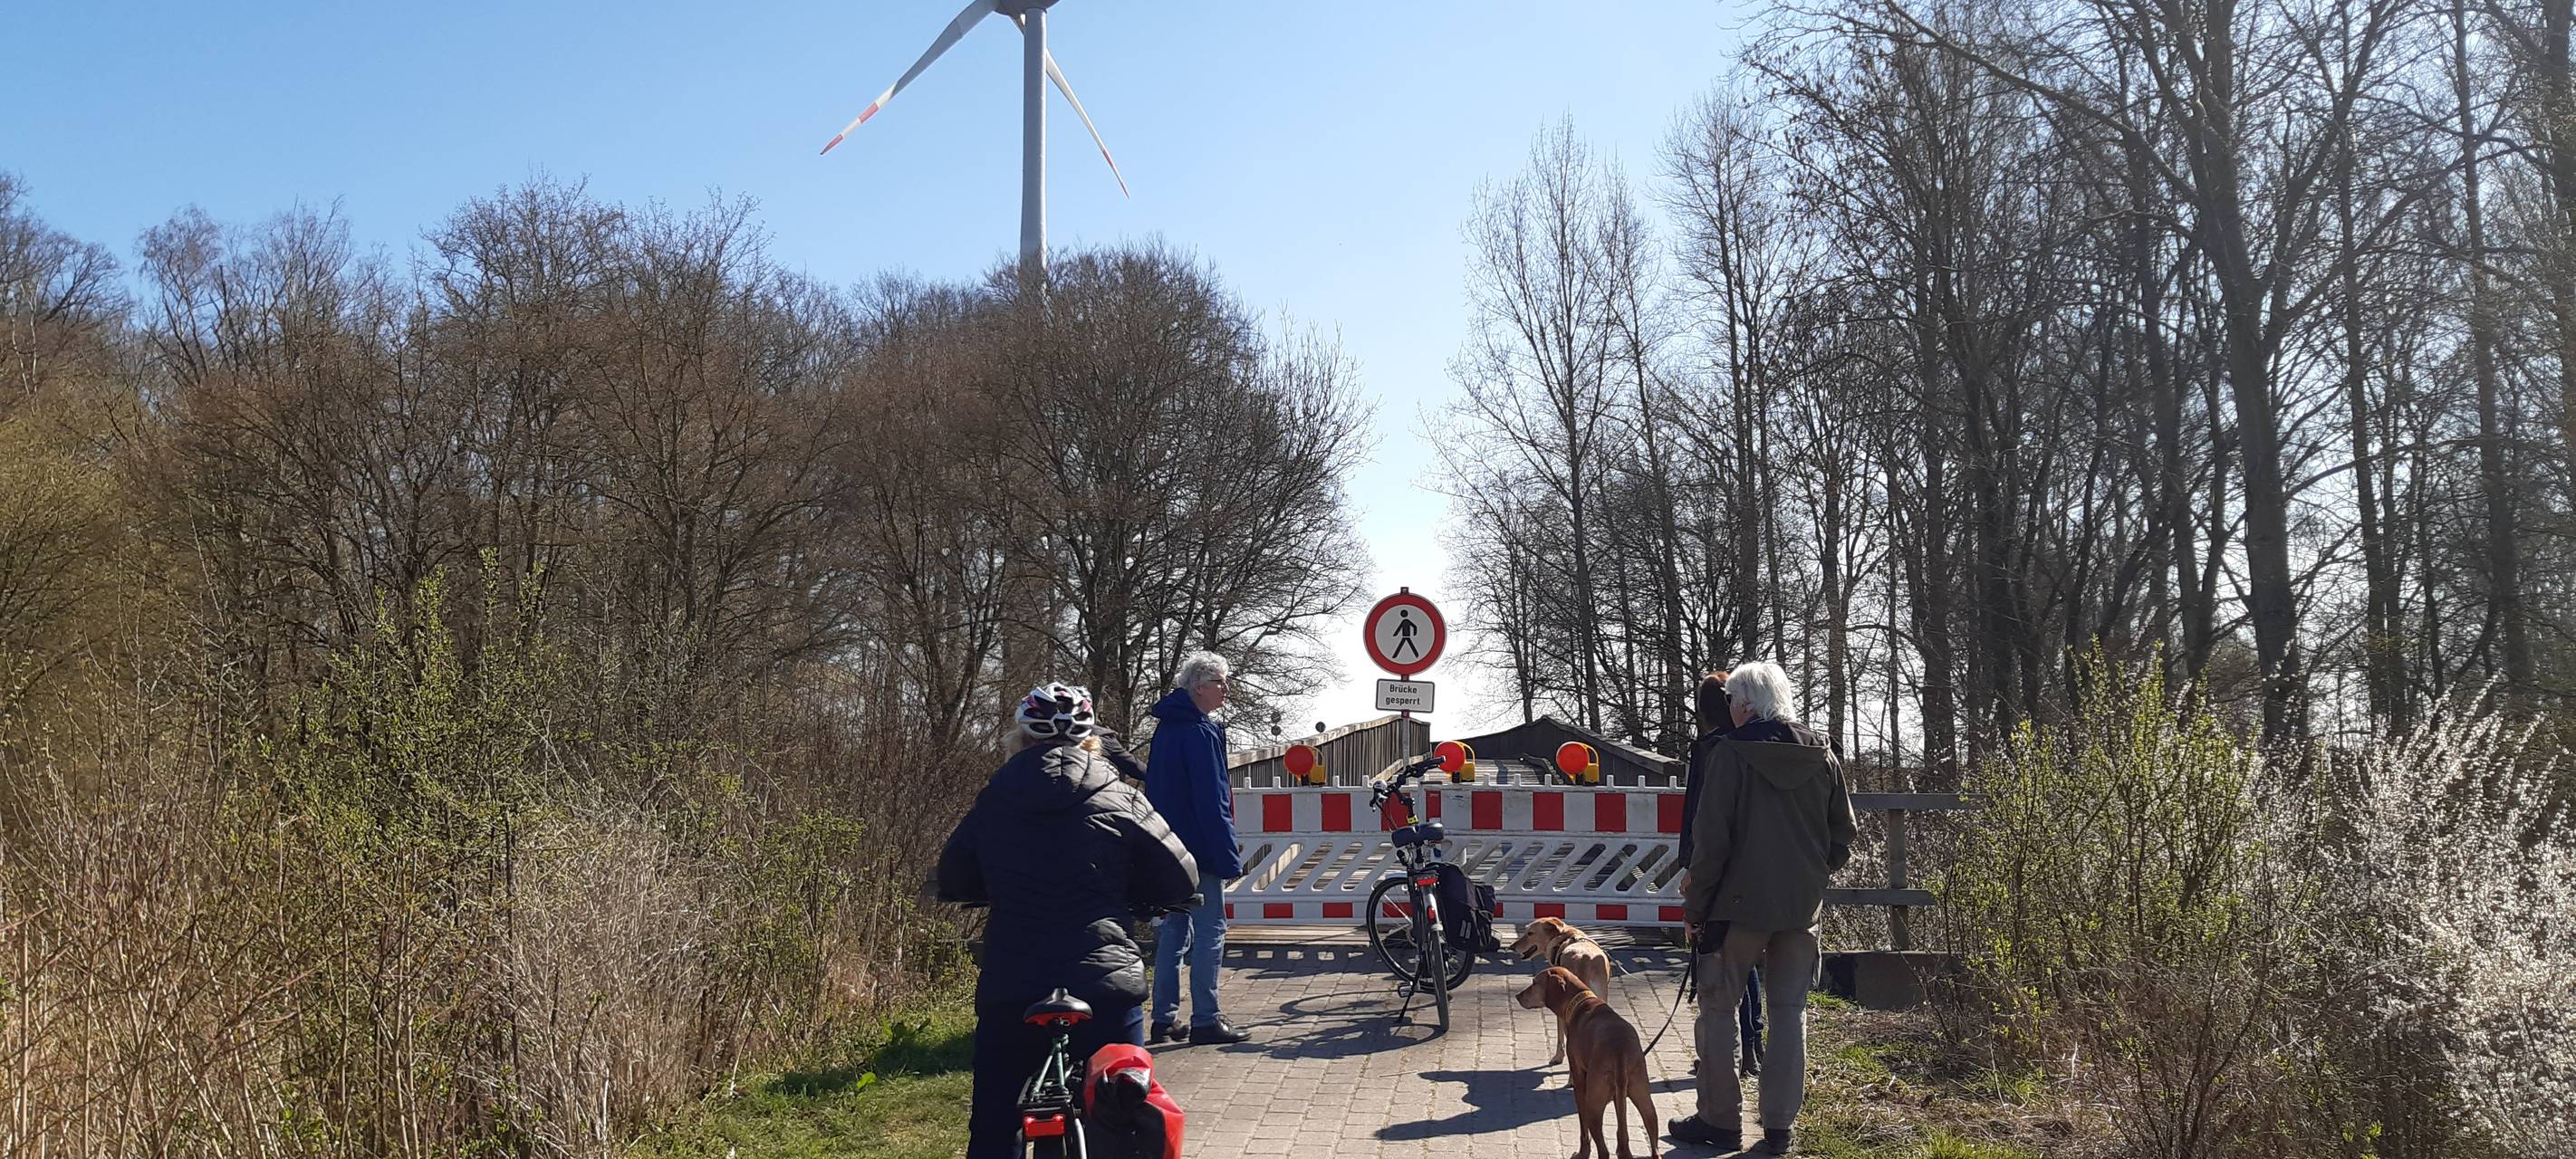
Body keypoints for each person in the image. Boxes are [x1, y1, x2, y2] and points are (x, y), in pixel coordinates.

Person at [937, 682, 1200, 1159]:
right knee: (1122, 1106)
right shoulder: (1121, 796)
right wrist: (1141, 894)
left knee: (995, 1115)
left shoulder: (995, 800)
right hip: (1105, 981)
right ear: (1091, 740)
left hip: (1014, 979)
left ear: (1019, 739)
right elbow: (1181, 877)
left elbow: (953, 875)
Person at [1667, 661, 1859, 1156]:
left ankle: (1720, 1121)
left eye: (1730, 700)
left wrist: (1695, 907)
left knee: (1717, 1011)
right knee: (1789, 1014)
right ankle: (1778, 1129)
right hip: (1801, 911)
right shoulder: (1824, 755)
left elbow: (1712, 843)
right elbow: (1845, 836)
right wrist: (1810, 876)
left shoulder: (1730, 755)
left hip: (1735, 909)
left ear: (1747, 704)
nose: (1726, 709)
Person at [1142, 651, 1250, 1045]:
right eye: (1220, 682)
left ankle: (1163, 1018)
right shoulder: (1202, 732)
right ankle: (1206, 1017)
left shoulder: (1166, 728)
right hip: (1200, 848)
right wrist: (1226, 853)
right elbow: (1213, 799)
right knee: (1211, 929)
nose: (1226, 689)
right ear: (1200, 687)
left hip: (1168, 845)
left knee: (1174, 928)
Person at [1677, 671, 1766, 1078]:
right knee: (1746, 965)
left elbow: (1698, 815)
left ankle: (1721, 1055)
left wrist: (1690, 868)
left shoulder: (1710, 749)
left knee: (1717, 962)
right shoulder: (1751, 747)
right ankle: (1752, 1046)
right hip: (1750, 869)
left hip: (1715, 871)